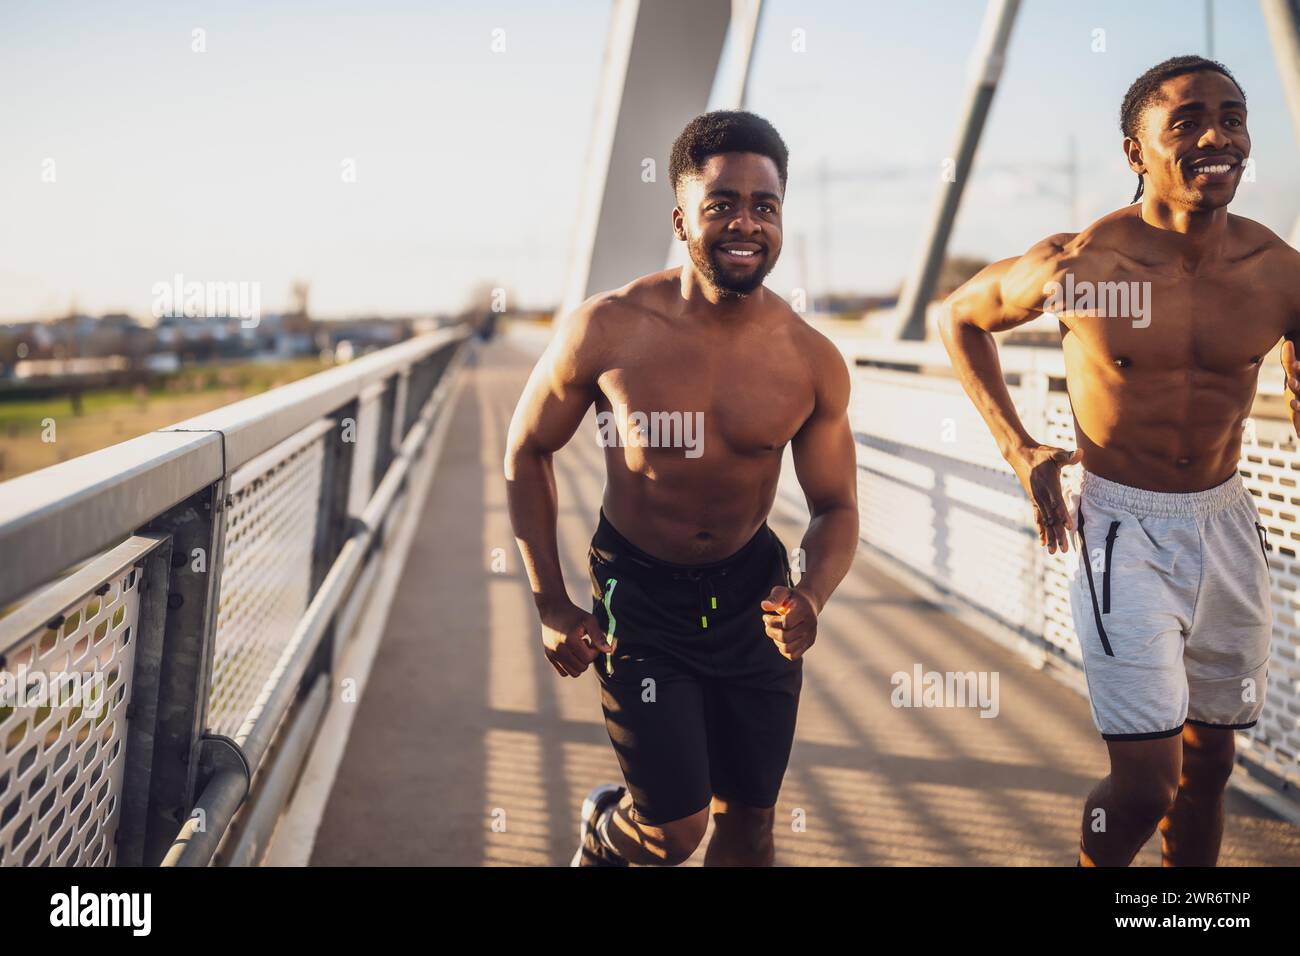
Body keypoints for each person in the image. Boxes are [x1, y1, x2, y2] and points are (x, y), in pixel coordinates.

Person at [940, 55, 1300, 867]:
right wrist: (1017, 444)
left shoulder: (1279, 274)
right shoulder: (1085, 266)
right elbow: (958, 318)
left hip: (1228, 522)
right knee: (1146, 783)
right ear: (1136, 154)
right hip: (1124, 533)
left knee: (1210, 766)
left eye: (1234, 117)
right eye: (1187, 123)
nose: (1218, 136)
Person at [504, 110, 859, 866]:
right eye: (721, 203)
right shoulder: (607, 330)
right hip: (640, 593)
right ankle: (607, 833)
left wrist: (813, 596)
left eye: (764, 206)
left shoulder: (811, 360)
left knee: (750, 825)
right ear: (680, 218)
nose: (745, 223)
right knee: (674, 834)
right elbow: (527, 449)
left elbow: (836, 506)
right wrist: (550, 603)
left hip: (753, 597)